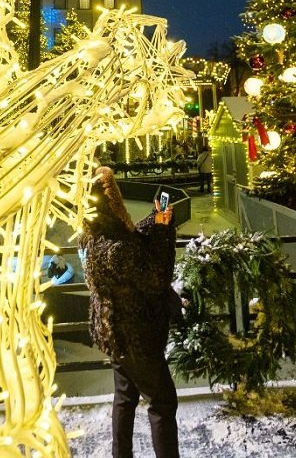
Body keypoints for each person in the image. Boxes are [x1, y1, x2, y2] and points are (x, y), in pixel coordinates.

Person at [80, 166, 180, 457]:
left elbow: (131, 239)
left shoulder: (93, 238)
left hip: (114, 335)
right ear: (113, 202)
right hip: (137, 336)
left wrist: (153, 220)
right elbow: (158, 276)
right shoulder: (118, 248)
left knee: (124, 398)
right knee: (162, 403)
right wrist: (164, 229)